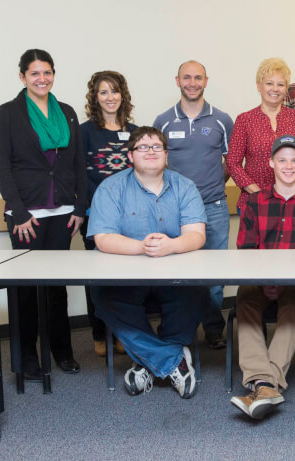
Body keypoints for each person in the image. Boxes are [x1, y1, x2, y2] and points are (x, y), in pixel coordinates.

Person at [88, 126, 208, 399]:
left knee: (198, 293)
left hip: (175, 272)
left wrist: (171, 246)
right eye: (143, 147)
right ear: (130, 156)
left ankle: (145, 360)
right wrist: (142, 247)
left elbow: (197, 235)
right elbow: (103, 238)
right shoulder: (111, 188)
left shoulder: (184, 186)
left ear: (166, 154)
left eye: (157, 147)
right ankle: (172, 360)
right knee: (103, 297)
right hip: (126, 275)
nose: (151, 151)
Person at [0, 49, 86, 379]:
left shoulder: (68, 113)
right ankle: (27, 359)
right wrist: (17, 212)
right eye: (34, 73)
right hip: (25, 215)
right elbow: (0, 166)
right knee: (26, 289)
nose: (41, 78)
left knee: (56, 288)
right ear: (22, 77)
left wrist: (80, 208)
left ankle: (62, 351)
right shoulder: (8, 114)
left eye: (47, 72)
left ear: (53, 75)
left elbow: (77, 164)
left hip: (63, 213)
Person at [230, 135, 295, 420]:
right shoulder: (254, 201)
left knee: (293, 308)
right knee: (245, 301)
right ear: (271, 163)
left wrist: (284, 282)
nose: (288, 166)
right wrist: (266, 281)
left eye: (294, 160)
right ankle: (268, 383)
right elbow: (246, 250)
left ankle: (263, 384)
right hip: (259, 279)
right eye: (281, 160)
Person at [154, 60, 234, 349]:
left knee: (214, 276)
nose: (192, 82)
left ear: (206, 81)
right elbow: (153, 163)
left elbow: (232, 162)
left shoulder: (222, 120)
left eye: (197, 77)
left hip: (213, 206)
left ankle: (214, 329)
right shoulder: (163, 120)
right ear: (177, 81)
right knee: (178, 273)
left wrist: (213, 184)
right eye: (186, 77)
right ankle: (179, 329)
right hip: (175, 211)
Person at [80, 70, 138, 356]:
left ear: (122, 95)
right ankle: (99, 333)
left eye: (114, 91)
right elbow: (78, 174)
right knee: (98, 280)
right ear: (95, 97)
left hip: (131, 217)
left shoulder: (135, 132)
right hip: (96, 216)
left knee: (125, 282)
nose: (110, 97)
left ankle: (121, 332)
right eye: (103, 92)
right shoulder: (85, 132)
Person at [226, 58, 295, 213]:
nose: (275, 89)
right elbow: (233, 163)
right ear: (259, 86)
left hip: (292, 204)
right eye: (269, 83)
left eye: (280, 84)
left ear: (286, 88)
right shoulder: (245, 120)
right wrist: (259, 194)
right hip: (253, 204)